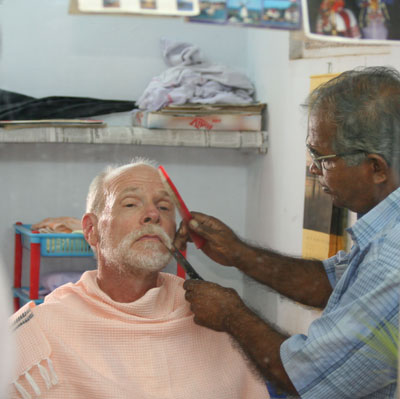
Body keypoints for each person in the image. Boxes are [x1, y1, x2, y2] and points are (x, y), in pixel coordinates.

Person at [177, 66, 400, 398]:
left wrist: (232, 315)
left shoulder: (390, 261)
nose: (313, 169)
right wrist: (240, 254)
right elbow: (331, 282)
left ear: (375, 167)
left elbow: (305, 381)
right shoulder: (385, 226)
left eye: (323, 158)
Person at [9, 159, 269, 399]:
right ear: (91, 230)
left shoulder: (211, 315)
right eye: (131, 203)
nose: (153, 215)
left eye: (164, 207)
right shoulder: (46, 329)